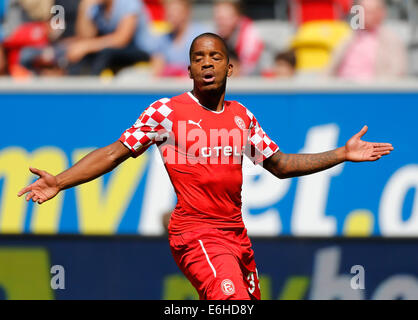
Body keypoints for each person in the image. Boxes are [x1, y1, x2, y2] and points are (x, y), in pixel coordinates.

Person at [18, 33, 394, 300]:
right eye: (198, 58)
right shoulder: (166, 112)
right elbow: (114, 152)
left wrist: (341, 154)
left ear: (229, 67)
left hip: (236, 237)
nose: (207, 63)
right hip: (195, 234)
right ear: (189, 70)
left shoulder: (242, 117)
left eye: (214, 56)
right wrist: (60, 182)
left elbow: (280, 165)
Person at [67, 0, 158, 75]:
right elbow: (86, 36)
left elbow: (121, 40)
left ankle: (93, 91)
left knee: (105, 53)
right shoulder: (97, 7)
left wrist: (87, 47)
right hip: (113, 51)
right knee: (78, 54)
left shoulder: (129, 3)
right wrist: (84, 8)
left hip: (142, 51)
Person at [327, 0, 407, 81]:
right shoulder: (348, 36)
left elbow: (397, 73)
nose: (364, 15)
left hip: (372, 90)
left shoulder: (391, 40)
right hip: (340, 88)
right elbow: (329, 69)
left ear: (381, 13)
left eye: (369, 12)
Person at [151, 0, 208, 77]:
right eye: (169, 13)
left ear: (186, 12)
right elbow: (156, 71)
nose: (171, 16)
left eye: (176, 12)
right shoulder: (162, 39)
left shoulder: (202, 36)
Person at [213, 0, 264, 76]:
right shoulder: (217, 33)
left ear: (237, 18)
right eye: (218, 19)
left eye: (225, 19)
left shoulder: (250, 34)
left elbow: (247, 70)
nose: (221, 23)